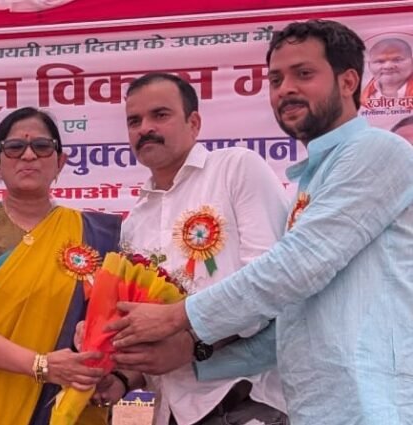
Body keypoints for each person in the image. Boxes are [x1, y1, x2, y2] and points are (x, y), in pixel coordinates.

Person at [109, 19, 413, 424]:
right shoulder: (309, 183)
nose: (285, 89)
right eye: (275, 79)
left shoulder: (377, 151)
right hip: (317, 406)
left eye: (304, 74)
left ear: (348, 81)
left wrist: (178, 318)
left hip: (374, 402)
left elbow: (296, 267)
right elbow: (286, 324)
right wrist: (185, 357)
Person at [103, 73, 288, 425]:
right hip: (170, 412)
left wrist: (192, 341)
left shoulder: (235, 169)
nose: (145, 128)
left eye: (160, 115)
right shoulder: (134, 222)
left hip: (244, 399)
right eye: (134, 121)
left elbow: (270, 285)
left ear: (194, 123)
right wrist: (122, 377)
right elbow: (153, 338)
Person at [0, 107, 120, 425]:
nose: (29, 155)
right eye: (15, 147)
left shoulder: (96, 234)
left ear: (61, 161)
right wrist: (42, 365)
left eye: (42, 146)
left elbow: (114, 321)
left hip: (66, 402)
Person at [360, 38, 413, 106]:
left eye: (397, 60)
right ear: (369, 65)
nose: (388, 66)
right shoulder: (361, 97)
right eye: (380, 61)